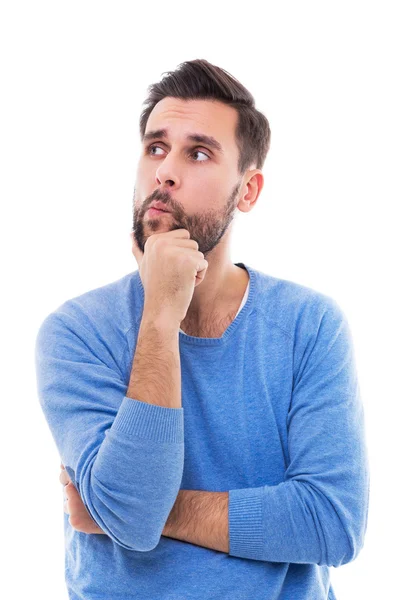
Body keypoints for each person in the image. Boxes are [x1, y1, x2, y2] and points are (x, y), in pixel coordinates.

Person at [35, 58, 369, 600]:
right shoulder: (76, 332)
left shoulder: (310, 326)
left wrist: (131, 509)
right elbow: (133, 513)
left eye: (198, 153)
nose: (165, 171)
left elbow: (332, 522)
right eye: (155, 147)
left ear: (248, 191)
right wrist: (161, 315)